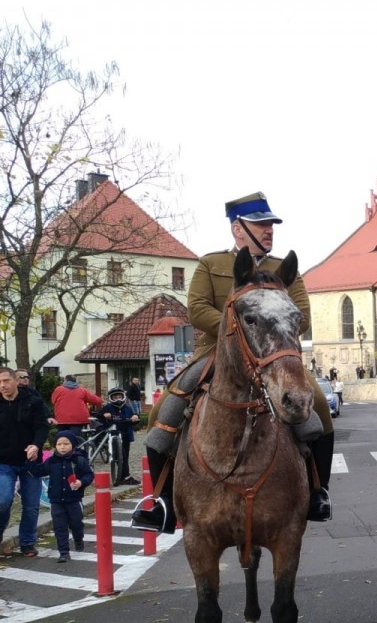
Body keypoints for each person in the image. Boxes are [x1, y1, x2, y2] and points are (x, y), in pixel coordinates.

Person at [132, 191, 335, 532]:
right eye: (261, 224)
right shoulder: (212, 265)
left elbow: (302, 317)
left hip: (269, 354)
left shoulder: (284, 270)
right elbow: (197, 310)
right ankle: (162, 501)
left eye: (271, 224)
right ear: (238, 228)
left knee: (316, 403)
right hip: (217, 352)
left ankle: (318, 491)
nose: (269, 230)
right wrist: (233, 332)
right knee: (163, 410)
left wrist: (264, 335)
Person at [0, 367, 50, 558]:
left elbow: (42, 427)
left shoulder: (33, 401)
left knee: (31, 505)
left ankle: (27, 543)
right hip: (4, 462)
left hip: (30, 462)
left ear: (15, 381)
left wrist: (36, 445)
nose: (3, 386)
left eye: (6, 381)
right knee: (3, 500)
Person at [29, 429, 93, 563]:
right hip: (56, 500)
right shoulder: (52, 461)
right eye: (59, 444)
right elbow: (38, 471)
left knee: (76, 523)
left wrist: (81, 482)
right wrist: (31, 460)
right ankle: (64, 552)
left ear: (73, 445)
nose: (62, 447)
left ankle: (78, 538)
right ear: (55, 446)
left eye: (66, 444)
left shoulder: (79, 460)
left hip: (74, 499)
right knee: (59, 527)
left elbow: (89, 475)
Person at [96, 386, 137, 485]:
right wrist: (104, 415)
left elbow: (134, 418)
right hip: (113, 435)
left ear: (123, 397)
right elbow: (98, 416)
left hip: (126, 434)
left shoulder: (127, 408)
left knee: (125, 456)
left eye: (119, 396)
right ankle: (125, 476)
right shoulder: (107, 408)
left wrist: (135, 417)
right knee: (120, 455)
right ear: (111, 398)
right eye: (115, 397)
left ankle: (123, 476)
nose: (118, 399)